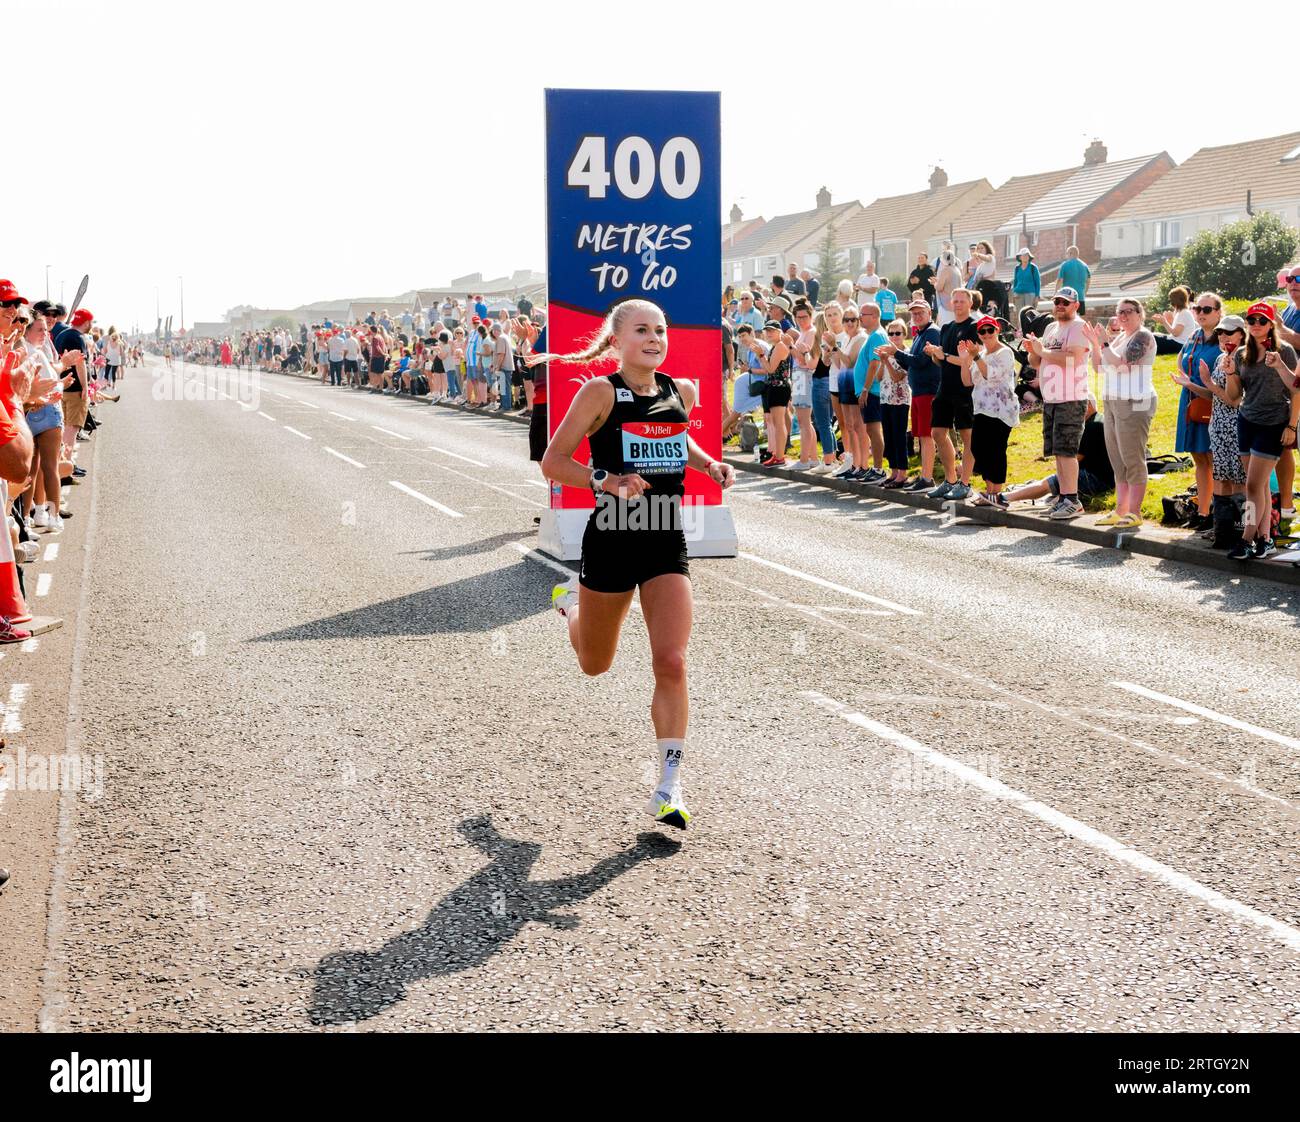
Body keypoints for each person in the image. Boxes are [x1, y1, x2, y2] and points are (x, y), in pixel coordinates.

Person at [539, 299, 736, 830]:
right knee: (594, 664)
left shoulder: (680, 391)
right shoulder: (600, 392)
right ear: (618, 339)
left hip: (664, 540)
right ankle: (572, 608)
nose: (654, 337)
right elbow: (552, 462)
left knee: (671, 661)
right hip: (612, 540)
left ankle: (668, 786)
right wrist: (607, 481)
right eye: (642, 330)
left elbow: (677, 439)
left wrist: (709, 463)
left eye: (661, 329)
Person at [1222, 302, 1299, 560]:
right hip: (1247, 420)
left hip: (1274, 423)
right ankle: (1265, 539)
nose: (1256, 325)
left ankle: (1247, 538)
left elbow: (1296, 389)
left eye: (1261, 320)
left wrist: (1291, 426)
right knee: (1258, 486)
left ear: (1271, 324)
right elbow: (1234, 396)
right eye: (1251, 320)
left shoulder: (1284, 351)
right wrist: (1231, 373)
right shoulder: (1241, 353)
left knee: (1253, 485)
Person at [1084, 298, 1157, 528]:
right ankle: (1120, 509)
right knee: (1117, 460)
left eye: (1128, 311)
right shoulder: (1120, 339)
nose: (1123, 316)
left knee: (1133, 458)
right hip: (1113, 402)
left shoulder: (1143, 336)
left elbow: (1125, 365)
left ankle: (1134, 512)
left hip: (1135, 402)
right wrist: (1096, 344)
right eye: (1120, 312)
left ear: (1139, 313)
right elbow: (1098, 367)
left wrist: (1105, 344)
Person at [1021, 286, 1091, 518]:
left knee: (1067, 451)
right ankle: (1063, 497)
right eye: (1057, 301)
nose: (1060, 305)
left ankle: (1073, 500)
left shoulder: (1079, 327)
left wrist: (1043, 351)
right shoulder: (1051, 327)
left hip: (1071, 397)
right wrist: (1032, 350)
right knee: (1058, 451)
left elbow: (1072, 359)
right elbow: (1036, 362)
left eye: (1065, 302)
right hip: (1051, 398)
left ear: (1075, 305)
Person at [1195, 314, 1248, 548]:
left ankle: (1244, 530)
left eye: (1229, 332)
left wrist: (1208, 383)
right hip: (1218, 425)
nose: (1223, 336)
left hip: (1237, 425)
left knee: (1239, 481)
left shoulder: (1243, 358)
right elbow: (1217, 396)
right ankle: (1223, 529)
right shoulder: (1220, 358)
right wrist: (1192, 384)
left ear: (1241, 334)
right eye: (1220, 332)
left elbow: (1233, 401)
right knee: (1221, 477)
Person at [881, 298, 942, 491]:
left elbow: (921, 361)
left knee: (926, 435)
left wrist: (896, 352)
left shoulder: (932, 332)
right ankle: (925, 476)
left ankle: (927, 478)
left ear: (929, 313)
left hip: (928, 390)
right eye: (914, 313)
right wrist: (890, 356)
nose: (917, 316)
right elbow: (910, 364)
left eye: (920, 312)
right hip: (918, 391)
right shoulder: (919, 334)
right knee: (922, 435)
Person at [923, 288, 978, 499]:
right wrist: (934, 354)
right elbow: (941, 360)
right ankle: (950, 480)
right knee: (937, 433)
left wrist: (943, 355)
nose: (957, 304)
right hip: (944, 387)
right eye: (954, 301)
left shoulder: (974, 327)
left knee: (967, 436)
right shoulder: (946, 327)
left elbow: (968, 360)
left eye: (962, 301)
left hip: (964, 389)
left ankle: (965, 483)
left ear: (970, 303)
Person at [1174, 292, 1223, 529]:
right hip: (1190, 401)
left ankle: (1218, 512)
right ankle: (1203, 512)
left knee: (1213, 459)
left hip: (1213, 402)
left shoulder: (1223, 337)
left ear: (1218, 313)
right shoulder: (1194, 336)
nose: (1201, 313)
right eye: (1197, 309)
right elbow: (1181, 359)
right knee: (1199, 458)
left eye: (1207, 309)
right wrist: (1185, 378)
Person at [959, 315, 1018, 507]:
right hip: (982, 409)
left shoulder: (1005, 353)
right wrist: (964, 360)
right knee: (978, 448)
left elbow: (990, 375)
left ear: (997, 331)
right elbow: (968, 381)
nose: (986, 334)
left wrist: (975, 357)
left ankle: (996, 493)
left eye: (990, 330)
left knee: (996, 450)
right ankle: (989, 490)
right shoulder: (981, 353)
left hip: (1001, 410)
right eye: (982, 331)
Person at [874, 315, 912, 487]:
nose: (894, 336)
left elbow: (898, 377)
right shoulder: (885, 351)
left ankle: (902, 473)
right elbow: (879, 377)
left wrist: (888, 361)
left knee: (899, 436)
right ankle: (894, 470)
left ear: (904, 334)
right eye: (891, 333)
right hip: (885, 398)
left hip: (900, 399)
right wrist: (882, 362)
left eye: (898, 333)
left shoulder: (905, 353)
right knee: (888, 437)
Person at [852, 302, 889, 482]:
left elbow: (875, 364)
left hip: (873, 391)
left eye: (863, 314)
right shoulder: (872, 335)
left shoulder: (877, 336)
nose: (860, 318)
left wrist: (866, 389)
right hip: (868, 391)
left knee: (874, 430)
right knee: (870, 429)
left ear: (874, 316)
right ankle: (875, 467)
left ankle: (879, 469)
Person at [787, 302, 820, 471]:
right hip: (800, 375)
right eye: (798, 317)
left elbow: (803, 359)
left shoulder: (812, 332)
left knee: (803, 420)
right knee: (804, 420)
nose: (801, 320)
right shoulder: (803, 332)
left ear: (811, 315)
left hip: (804, 374)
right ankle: (813, 458)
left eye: (804, 317)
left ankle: (805, 459)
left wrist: (790, 345)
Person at [756, 321, 792, 467]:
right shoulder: (775, 346)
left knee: (778, 423)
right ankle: (778, 454)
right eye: (767, 331)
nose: (769, 333)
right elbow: (768, 369)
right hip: (775, 386)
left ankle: (780, 456)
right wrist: (761, 356)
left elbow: (770, 368)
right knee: (777, 423)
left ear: (779, 332)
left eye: (772, 330)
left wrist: (761, 354)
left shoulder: (780, 346)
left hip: (780, 387)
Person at [1155, 284, 1196, 356]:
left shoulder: (1184, 313)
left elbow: (1176, 333)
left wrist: (1164, 322)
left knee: (1152, 339)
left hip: (1179, 345)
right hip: (1177, 342)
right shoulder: (1181, 312)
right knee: (1153, 335)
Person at [1056, 246, 1091, 313]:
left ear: (1070, 253)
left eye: (1067, 253)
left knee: (1066, 319)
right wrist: (1084, 293)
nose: (1066, 256)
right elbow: (1088, 281)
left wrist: (1056, 294)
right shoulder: (1085, 266)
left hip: (1067, 298)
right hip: (1080, 297)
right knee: (1079, 320)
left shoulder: (1064, 265)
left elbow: (1059, 281)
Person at [1010, 248, 1041, 319]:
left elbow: (1037, 282)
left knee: (1030, 314)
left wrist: (1037, 296)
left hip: (1030, 294)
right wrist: (1014, 293)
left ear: (1029, 257)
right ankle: (1021, 329)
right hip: (1018, 294)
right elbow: (1015, 281)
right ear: (1020, 257)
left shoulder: (1033, 268)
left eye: (1027, 255)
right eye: (1023, 255)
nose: (1025, 257)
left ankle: (1030, 329)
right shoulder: (1017, 268)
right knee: (1019, 314)